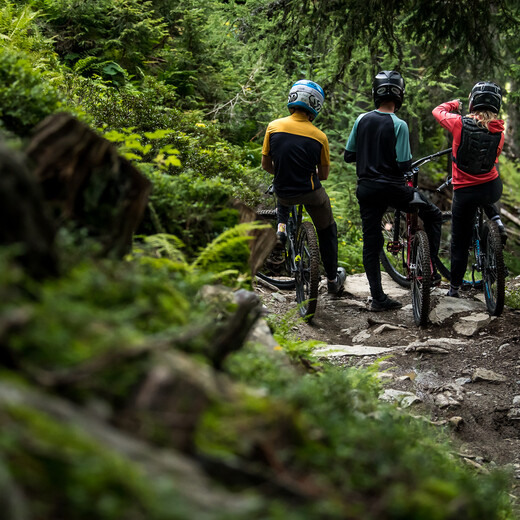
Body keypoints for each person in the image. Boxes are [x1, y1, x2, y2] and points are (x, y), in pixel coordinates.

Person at [344, 70, 443, 311]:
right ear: (400, 96)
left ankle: (378, 298)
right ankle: (429, 267)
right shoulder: (399, 124)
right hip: (394, 189)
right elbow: (403, 165)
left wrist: (369, 155)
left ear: (375, 94)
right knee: (434, 215)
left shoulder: (361, 119)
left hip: (367, 189)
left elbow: (349, 155)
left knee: (371, 242)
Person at [261, 79, 346, 295]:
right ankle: (333, 280)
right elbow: (324, 175)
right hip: (311, 193)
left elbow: (266, 165)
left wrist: (283, 173)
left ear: (292, 99)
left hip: (284, 191)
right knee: (327, 230)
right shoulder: (320, 137)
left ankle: (280, 229)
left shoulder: (273, 127)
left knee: (281, 194)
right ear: (315, 106)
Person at [432, 81, 506, 298]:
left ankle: (454, 288)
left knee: (459, 241)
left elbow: (437, 111)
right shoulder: (499, 131)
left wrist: (453, 104)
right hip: (491, 188)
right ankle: (496, 221)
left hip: (464, 192)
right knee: (485, 193)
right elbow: (494, 158)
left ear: (473, 101)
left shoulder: (458, 123)